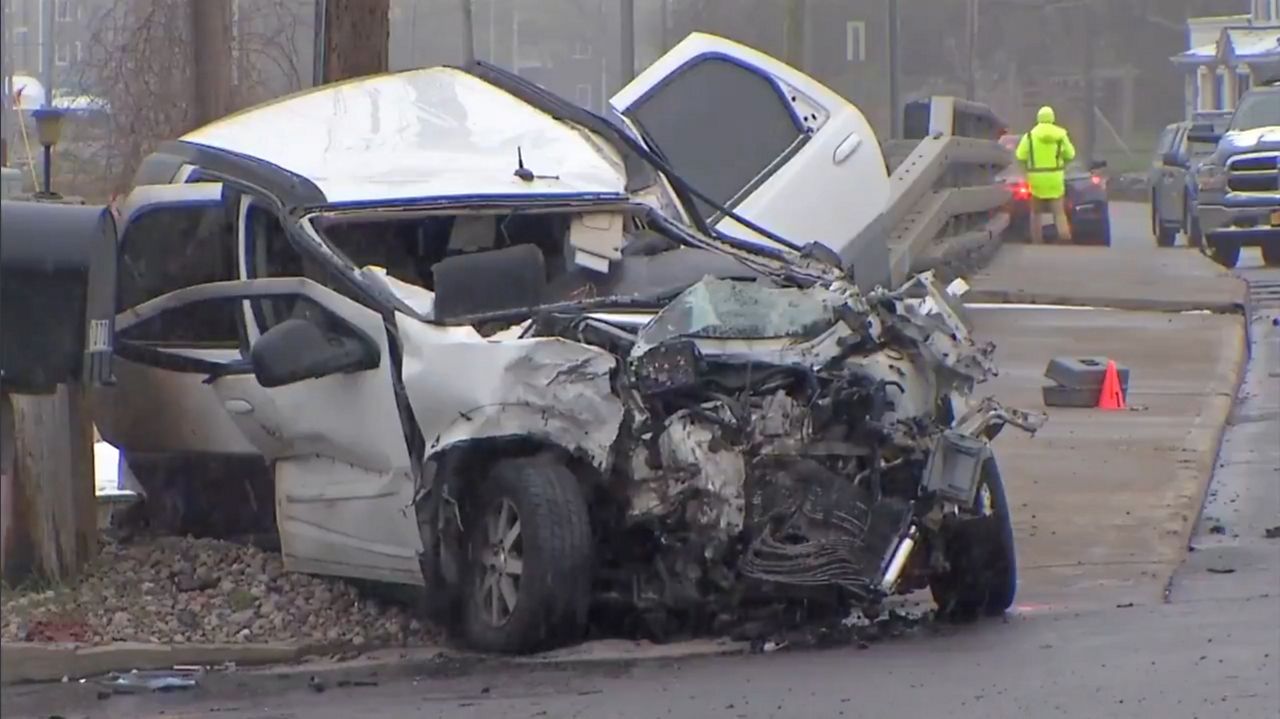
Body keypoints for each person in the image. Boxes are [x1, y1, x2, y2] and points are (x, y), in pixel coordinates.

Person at [1015, 106, 1076, 244]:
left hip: (1036, 179)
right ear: (1053, 118)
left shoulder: (1029, 136)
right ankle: (1064, 237)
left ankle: (1037, 240)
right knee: (1059, 212)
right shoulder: (1061, 136)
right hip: (1055, 178)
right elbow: (1071, 154)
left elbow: (1020, 155)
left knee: (1036, 213)